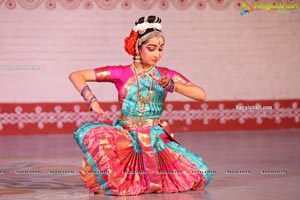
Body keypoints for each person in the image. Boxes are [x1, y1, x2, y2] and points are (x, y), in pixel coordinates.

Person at [69, 15, 212, 196]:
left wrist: (172, 86)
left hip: (156, 138)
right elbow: (76, 75)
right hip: (127, 137)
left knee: (199, 174)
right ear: (138, 47)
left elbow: (201, 95)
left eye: (160, 49)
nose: (157, 54)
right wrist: (92, 101)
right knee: (104, 154)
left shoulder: (166, 74)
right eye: (151, 48)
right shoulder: (121, 73)